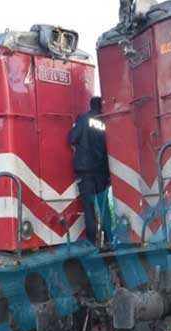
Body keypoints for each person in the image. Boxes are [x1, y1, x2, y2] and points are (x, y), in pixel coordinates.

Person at [68, 97, 111, 245]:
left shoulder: (83, 119)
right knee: (103, 204)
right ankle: (109, 239)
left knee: (89, 206)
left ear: (90, 105)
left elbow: (72, 138)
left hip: (85, 169)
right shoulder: (105, 122)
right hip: (102, 170)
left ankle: (93, 241)